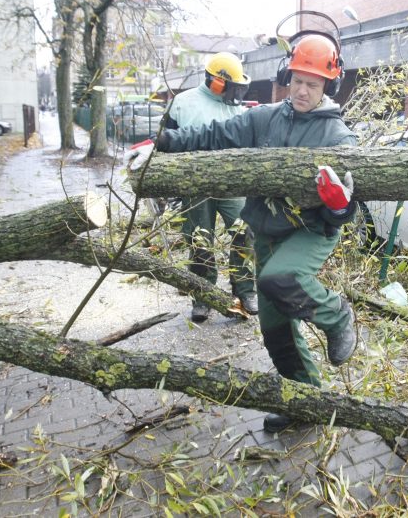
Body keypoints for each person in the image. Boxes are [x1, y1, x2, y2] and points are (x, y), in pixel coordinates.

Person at [149, 33, 359, 434]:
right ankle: (306, 405)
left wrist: (339, 203)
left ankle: (336, 315)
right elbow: (215, 135)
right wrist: (169, 140)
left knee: (280, 278)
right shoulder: (264, 117)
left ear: (326, 86)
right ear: (287, 75)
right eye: (297, 80)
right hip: (268, 230)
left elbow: (349, 210)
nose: (301, 90)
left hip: (310, 231)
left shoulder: (339, 138)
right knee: (275, 331)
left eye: (312, 84)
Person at [164, 52, 259, 322]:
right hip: (195, 185)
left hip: (232, 183)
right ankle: (203, 295)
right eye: (232, 86)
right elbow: (166, 142)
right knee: (199, 239)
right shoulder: (182, 103)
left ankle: (245, 289)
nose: (236, 92)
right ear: (216, 82)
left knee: (244, 231)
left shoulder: (237, 109)